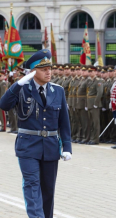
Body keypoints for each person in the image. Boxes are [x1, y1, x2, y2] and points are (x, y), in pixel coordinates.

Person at [0, 49, 72, 218]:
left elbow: (64, 122)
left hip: (51, 147)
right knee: (32, 185)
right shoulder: (22, 89)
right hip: (28, 146)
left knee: (48, 189)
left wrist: (67, 146)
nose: (48, 72)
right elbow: (3, 105)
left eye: (49, 68)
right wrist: (16, 85)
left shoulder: (58, 90)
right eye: (43, 69)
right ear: (32, 72)